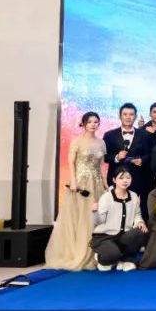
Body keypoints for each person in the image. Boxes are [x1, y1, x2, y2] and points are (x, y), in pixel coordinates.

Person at [47, 112, 108, 271]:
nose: (93, 124)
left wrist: (105, 182)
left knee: (96, 217)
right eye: (90, 122)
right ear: (84, 124)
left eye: (96, 122)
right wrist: (73, 181)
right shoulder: (77, 141)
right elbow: (71, 163)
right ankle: (79, 253)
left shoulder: (101, 142)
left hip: (97, 184)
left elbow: (102, 164)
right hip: (81, 184)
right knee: (81, 217)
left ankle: (95, 254)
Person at [90, 164, 148, 272]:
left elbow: (137, 214)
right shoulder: (106, 197)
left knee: (141, 231)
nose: (125, 181)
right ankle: (101, 258)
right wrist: (95, 212)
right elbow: (99, 221)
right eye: (121, 178)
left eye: (128, 178)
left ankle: (126, 259)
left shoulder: (134, 196)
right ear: (114, 180)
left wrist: (140, 222)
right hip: (105, 237)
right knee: (112, 254)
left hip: (123, 236)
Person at [102, 103, 148, 194]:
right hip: (115, 178)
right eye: (125, 114)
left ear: (135, 117)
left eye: (131, 114)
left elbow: (148, 154)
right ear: (120, 116)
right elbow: (104, 157)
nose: (128, 117)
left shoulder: (144, 134)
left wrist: (141, 160)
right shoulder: (109, 135)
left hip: (137, 178)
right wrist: (117, 157)